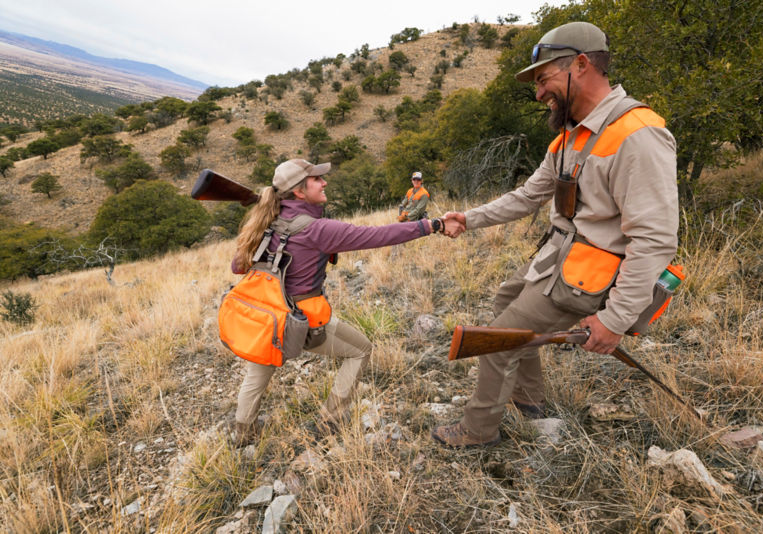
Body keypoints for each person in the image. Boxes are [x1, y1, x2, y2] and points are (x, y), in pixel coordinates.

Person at [432, 21, 679, 448]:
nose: (539, 92)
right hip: (561, 260)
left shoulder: (638, 134)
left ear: (581, 65)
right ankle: (530, 402)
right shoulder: (568, 138)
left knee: (494, 344)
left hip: (588, 276)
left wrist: (615, 319)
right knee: (505, 301)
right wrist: (467, 218)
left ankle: (477, 432)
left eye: (544, 78)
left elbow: (655, 240)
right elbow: (528, 196)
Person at [230, 158, 452, 445]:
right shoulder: (316, 229)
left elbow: (238, 266)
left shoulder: (266, 219)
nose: (324, 182)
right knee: (360, 350)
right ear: (299, 192)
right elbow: (377, 236)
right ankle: (328, 421)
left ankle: (243, 437)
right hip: (301, 322)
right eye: (316, 180)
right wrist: (432, 225)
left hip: (265, 318)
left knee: (256, 374)